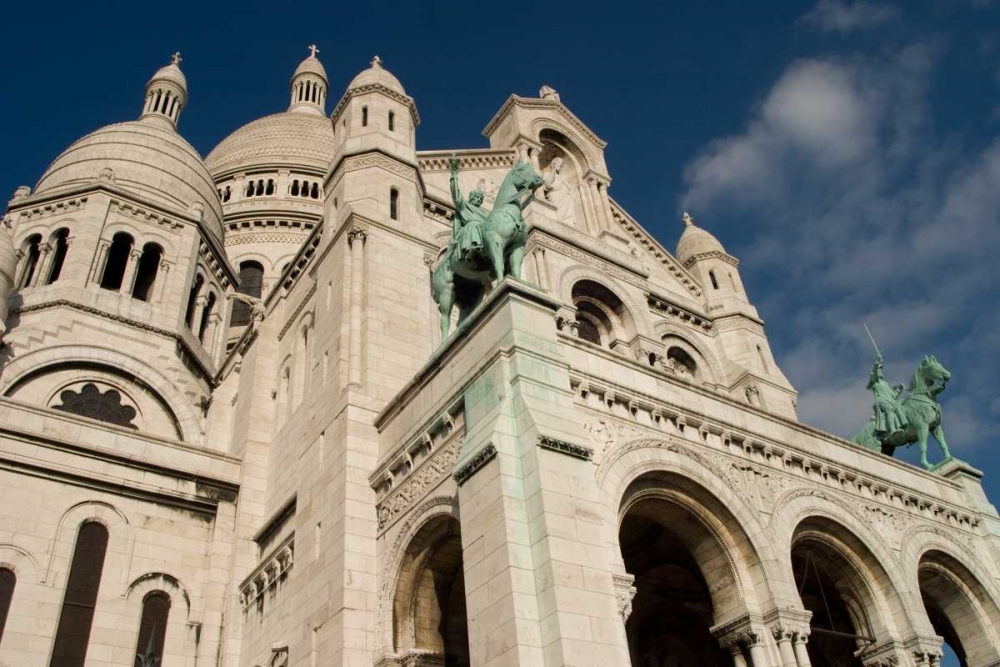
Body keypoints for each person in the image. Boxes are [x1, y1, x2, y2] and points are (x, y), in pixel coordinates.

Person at [449, 154, 487, 260]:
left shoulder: (485, 213)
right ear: (471, 197)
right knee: (473, 224)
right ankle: (473, 248)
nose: (478, 199)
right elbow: (456, 195)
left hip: (484, 231)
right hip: (471, 229)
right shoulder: (464, 206)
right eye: (476, 197)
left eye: (480, 198)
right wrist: (454, 174)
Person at [867, 356, 907, 436]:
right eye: (879, 371)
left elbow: (893, 396)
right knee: (890, 409)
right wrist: (877, 361)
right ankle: (892, 430)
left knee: (899, 406)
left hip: (890, 400)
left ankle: (900, 425)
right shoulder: (875, 382)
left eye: (881, 371)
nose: (881, 372)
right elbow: (873, 374)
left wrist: (899, 389)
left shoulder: (886, 383)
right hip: (881, 400)